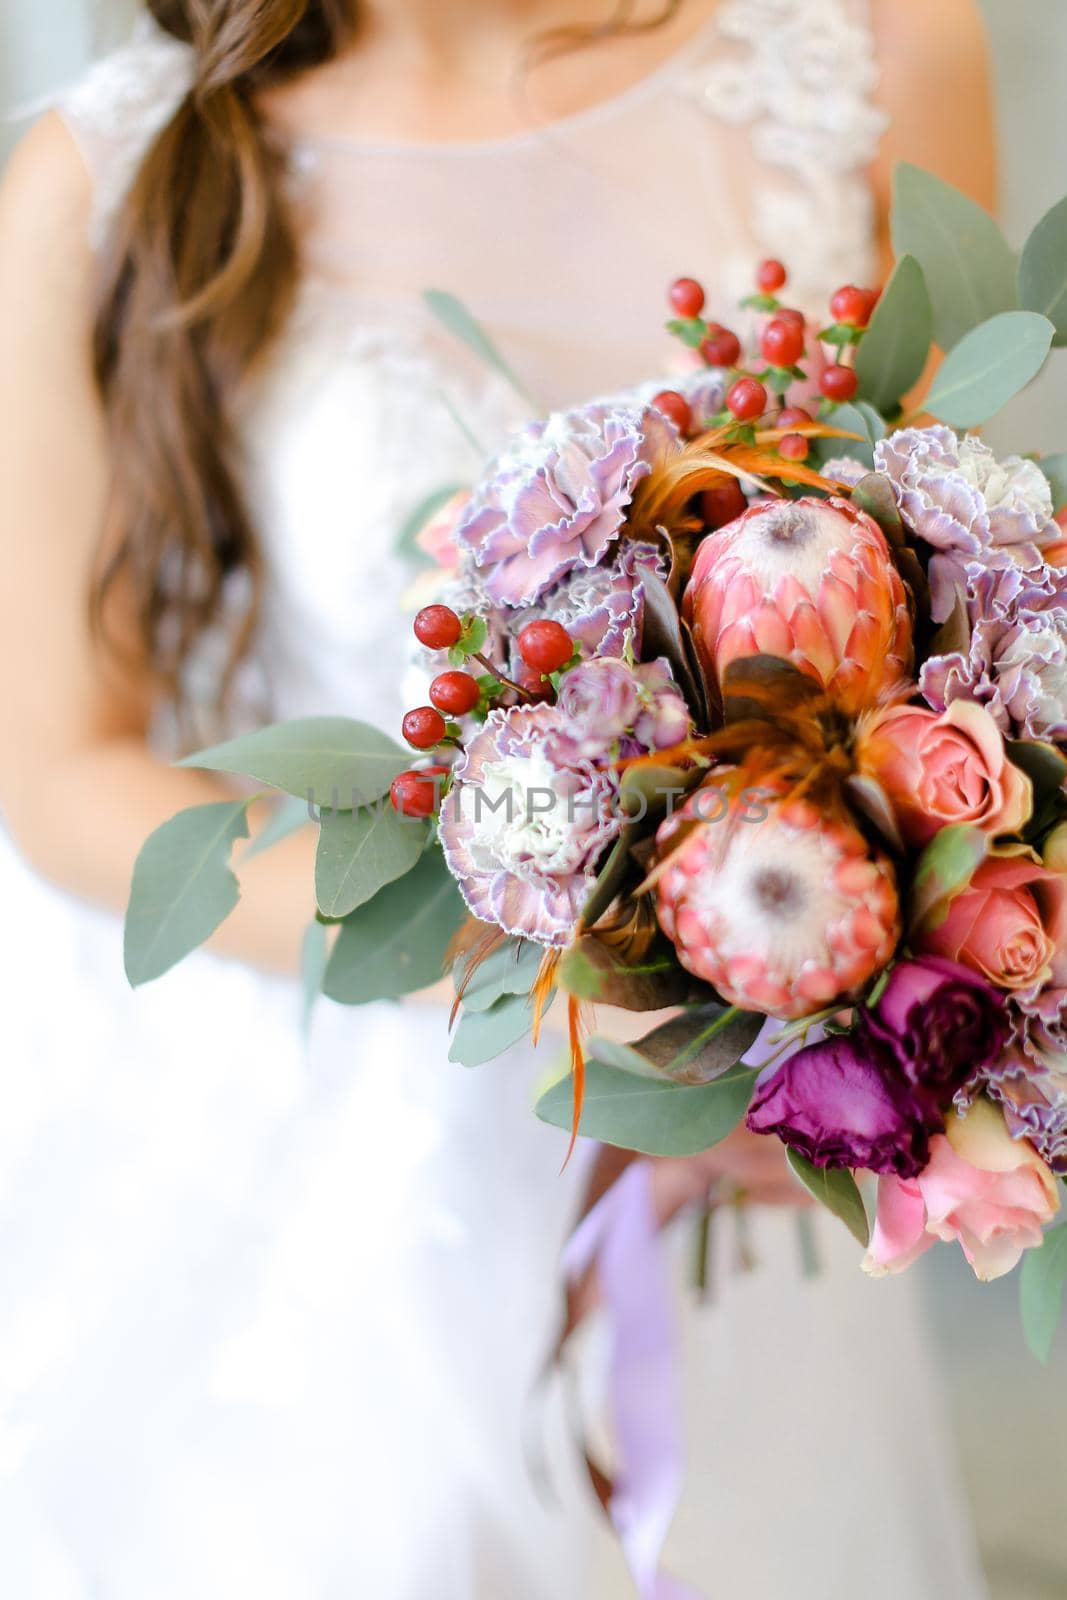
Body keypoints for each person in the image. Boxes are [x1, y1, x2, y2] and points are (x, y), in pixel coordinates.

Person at [0, 1, 995, 1594]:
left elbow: (965, 622)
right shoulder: (110, 175)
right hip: (357, 1179)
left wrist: (859, 979)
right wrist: (574, 984)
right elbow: (61, 776)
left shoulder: (877, 46)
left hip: (761, 1130)